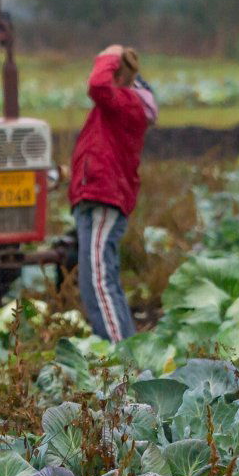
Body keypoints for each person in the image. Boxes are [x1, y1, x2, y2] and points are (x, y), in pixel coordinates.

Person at [69, 45, 156, 342]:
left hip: (103, 196)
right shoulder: (119, 107)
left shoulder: (126, 103)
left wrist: (109, 54)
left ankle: (120, 359)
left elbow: (96, 84)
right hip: (96, 195)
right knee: (100, 278)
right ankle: (125, 350)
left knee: (98, 281)